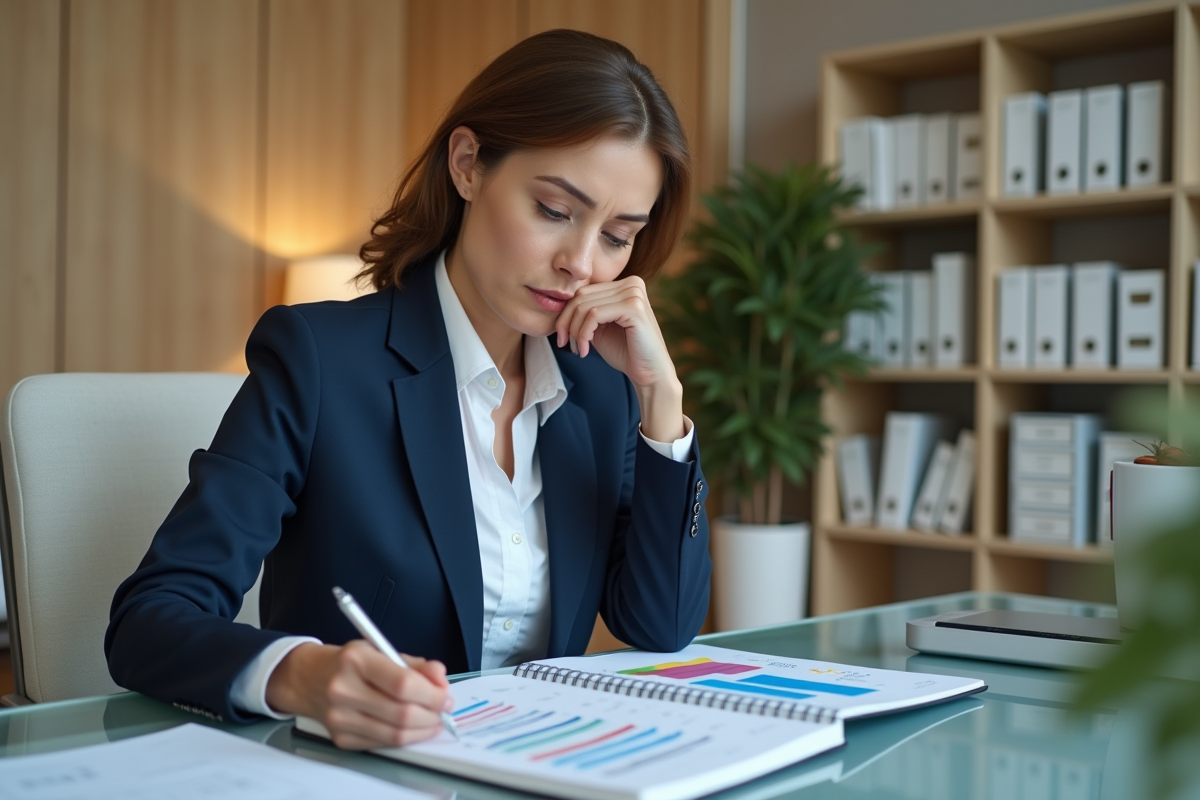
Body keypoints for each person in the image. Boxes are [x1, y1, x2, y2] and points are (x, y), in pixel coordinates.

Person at [106, 28, 711, 751]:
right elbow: (150, 618)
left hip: (538, 766)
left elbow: (659, 625)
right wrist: (302, 676)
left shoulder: (600, 392)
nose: (581, 263)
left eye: (617, 237)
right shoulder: (319, 360)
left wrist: (662, 401)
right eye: (554, 210)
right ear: (468, 165)